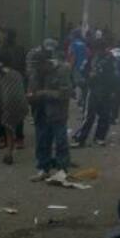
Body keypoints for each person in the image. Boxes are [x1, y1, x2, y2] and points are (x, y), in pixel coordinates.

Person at [27, 40, 72, 182]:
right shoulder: (35, 72)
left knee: (60, 142)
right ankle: (43, 168)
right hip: (40, 111)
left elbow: (65, 93)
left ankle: (62, 169)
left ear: (46, 63)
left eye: (38, 67)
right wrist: (30, 96)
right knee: (42, 141)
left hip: (57, 112)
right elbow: (31, 88)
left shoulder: (62, 70)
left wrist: (43, 93)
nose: (36, 70)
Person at [72, 39, 120, 147]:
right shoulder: (92, 59)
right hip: (94, 90)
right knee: (90, 116)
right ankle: (81, 138)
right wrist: (88, 78)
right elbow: (84, 71)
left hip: (106, 90)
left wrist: (114, 90)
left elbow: (114, 76)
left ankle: (99, 137)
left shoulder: (110, 60)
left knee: (104, 115)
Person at [0, 28, 27, 149]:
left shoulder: (17, 50)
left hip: (12, 82)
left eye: (2, 34)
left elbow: (23, 66)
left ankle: (14, 137)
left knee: (11, 110)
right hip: (10, 82)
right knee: (5, 110)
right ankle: (7, 137)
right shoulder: (1, 49)